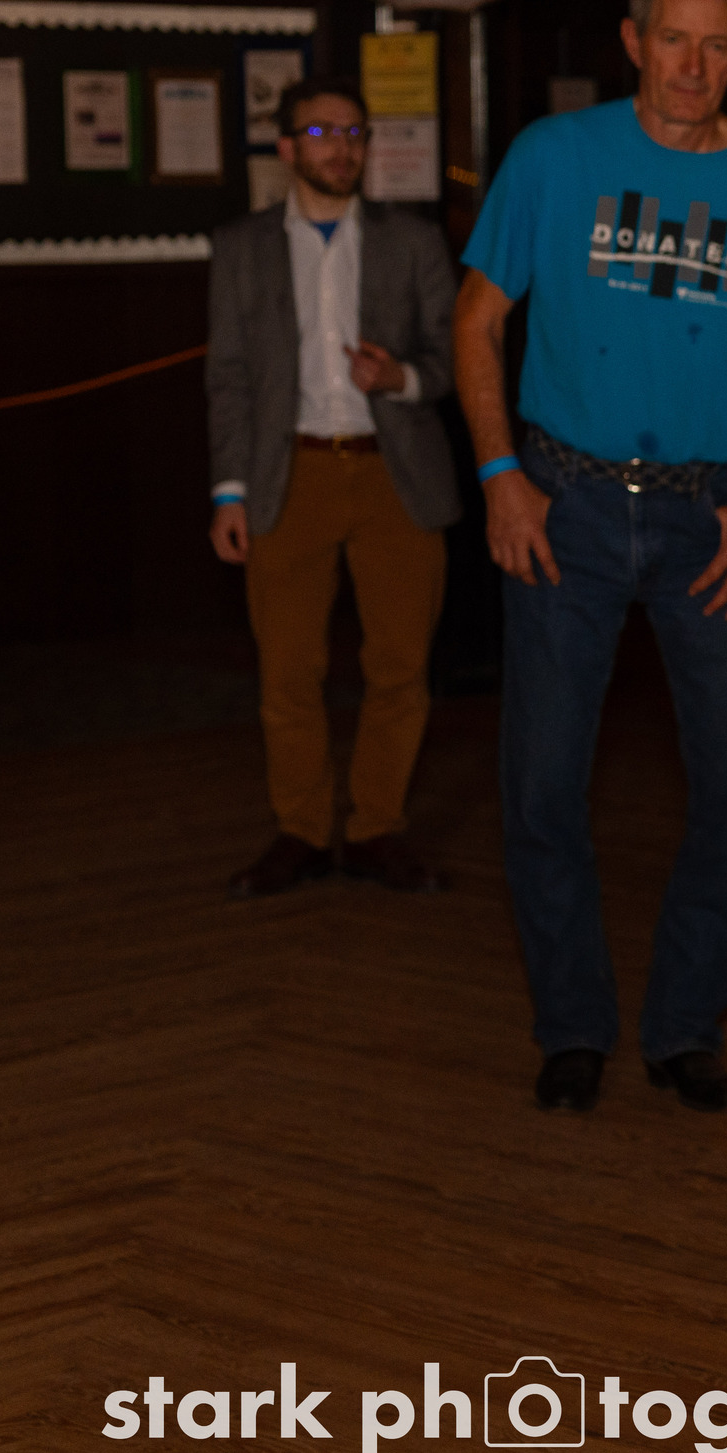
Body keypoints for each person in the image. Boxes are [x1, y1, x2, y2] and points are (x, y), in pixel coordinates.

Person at [453, 0, 727, 1115]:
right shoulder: (552, 157)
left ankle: (685, 1026)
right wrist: (500, 477)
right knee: (541, 783)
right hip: (562, 505)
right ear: (633, 43)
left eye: (715, 43)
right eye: (672, 39)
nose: (693, 64)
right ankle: (572, 1024)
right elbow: (476, 322)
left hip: (714, 517)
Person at [205, 74, 461, 898]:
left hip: (396, 476)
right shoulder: (241, 247)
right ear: (286, 148)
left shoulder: (413, 241)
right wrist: (229, 493)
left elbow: (454, 361)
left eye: (354, 133)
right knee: (288, 672)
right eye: (322, 133)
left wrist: (400, 379)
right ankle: (302, 831)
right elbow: (229, 378)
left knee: (400, 667)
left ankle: (377, 829)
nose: (342, 148)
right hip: (290, 476)